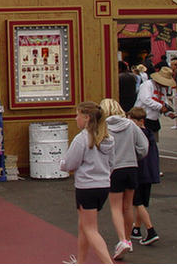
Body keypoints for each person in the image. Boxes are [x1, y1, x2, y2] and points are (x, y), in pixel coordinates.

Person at [59, 101, 114, 265]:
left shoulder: (82, 138)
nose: (76, 119)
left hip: (87, 186)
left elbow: (70, 164)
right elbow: (112, 162)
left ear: (87, 118)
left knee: (90, 229)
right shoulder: (107, 138)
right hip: (103, 184)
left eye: (78, 115)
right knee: (84, 226)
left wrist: (61, 163)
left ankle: (108, 262)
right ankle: (82, 261)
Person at [99, 98, 148, 260]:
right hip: (131, 167)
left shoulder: (103, 127)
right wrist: (136, 156)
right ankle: (127, 239)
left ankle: (122, 240)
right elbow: (143, 146)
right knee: (128, 206)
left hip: (114, 169)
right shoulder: (131, 125)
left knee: (115, 207)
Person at [127, 107, 160, 246]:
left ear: (139, 121)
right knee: (141, 203)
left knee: (137, 203)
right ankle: (136, 228)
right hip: (150, 173)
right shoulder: (149, 134)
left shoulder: (136, 136)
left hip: (139, 172)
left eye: (131, 120)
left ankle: (150, 230)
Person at [134, 66, 176, 144]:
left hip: (154, 119)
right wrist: (160, 107)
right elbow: (146, 99)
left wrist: (168, 113)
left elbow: (163, 102)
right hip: (143, 117)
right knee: (143, 143)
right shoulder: (147, 85)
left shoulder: (162, 89)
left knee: (153, 143)